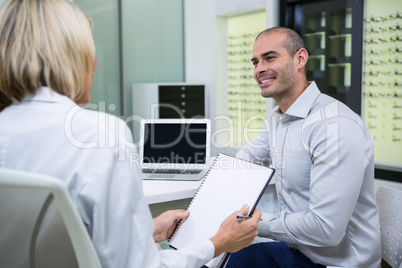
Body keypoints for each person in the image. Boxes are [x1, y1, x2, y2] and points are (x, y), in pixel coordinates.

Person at [0, 0, 261, 267]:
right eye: (90, 50)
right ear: (74, 59)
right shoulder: (100, 134)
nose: (96, 64)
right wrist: (218, 243)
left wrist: (147, 229)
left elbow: (58, 240)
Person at [225, 27, 381, 267]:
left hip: (334, 262)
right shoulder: (279, 118)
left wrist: (252, 222)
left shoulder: (335, 126)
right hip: (297, 250)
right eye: (255, 62)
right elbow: (244, 161)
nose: (259, 69)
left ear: (300, 59)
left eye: (270, 58)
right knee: (219, 258)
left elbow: (324, 229)